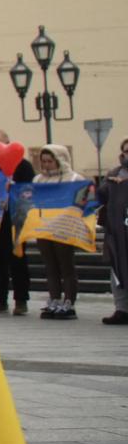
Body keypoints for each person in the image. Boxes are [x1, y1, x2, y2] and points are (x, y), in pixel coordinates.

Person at [32, 144, 91, 320]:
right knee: (50, 266)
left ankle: (69, 301)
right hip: (44, 228)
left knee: (66, 266)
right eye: (43, 161)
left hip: (64, 229)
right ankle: (55, 298)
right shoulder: (38, 180)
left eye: (50, 161)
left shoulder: (74, 179)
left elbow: (83, 200)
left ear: (60, 160)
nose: (46, 165)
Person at [0, 130, 34, 315]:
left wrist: (15, 187)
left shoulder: (23, 166)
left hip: (15, 218)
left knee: (17, 258)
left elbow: (29, 189)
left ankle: (21, 300)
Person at [101, 138, 128, 326]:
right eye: (125, 151)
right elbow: (101, 196)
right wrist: (107, 185)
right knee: (117, 269)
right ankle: (122, 309)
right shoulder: (115, 173)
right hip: (118, 231)